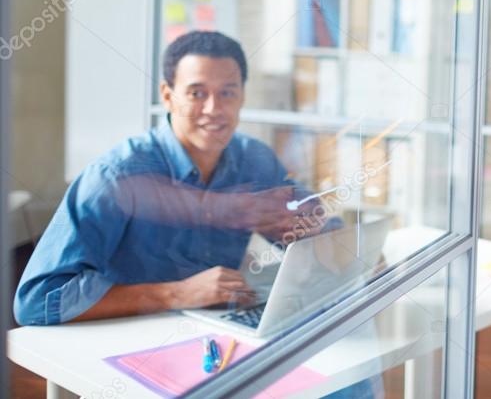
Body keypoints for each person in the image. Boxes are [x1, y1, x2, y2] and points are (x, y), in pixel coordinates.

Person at [15, 31, 319, 325]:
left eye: (227, 92)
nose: (214, 109)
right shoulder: (115, 175)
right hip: (124, 344)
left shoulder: (255, 159)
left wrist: (311, 227)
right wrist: (176, 293)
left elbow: (315, 232)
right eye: (197, 93)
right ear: (167, 96)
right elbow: (36, 301)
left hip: (215, 333)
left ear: (242, 96)